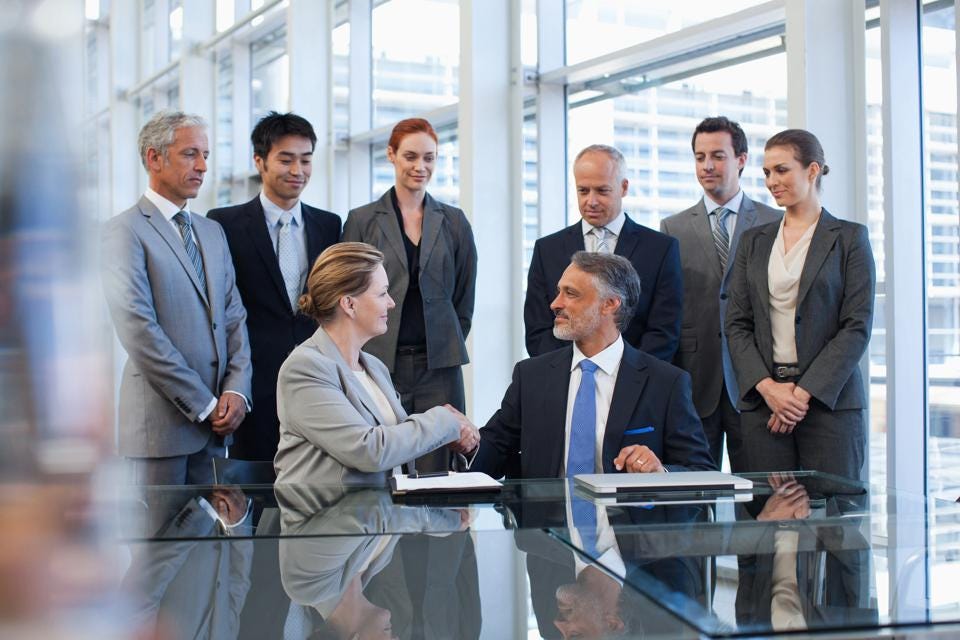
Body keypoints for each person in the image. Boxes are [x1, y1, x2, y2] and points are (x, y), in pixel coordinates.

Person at [466, 251, 715, 479]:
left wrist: (661, 470)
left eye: (570, 293)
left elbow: (701, 471)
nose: (555, 303)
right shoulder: (531, 376)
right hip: (544, 524)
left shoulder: (665, 383)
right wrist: (468, 440)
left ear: (610, 304)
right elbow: (495, 453)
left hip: (626, 525)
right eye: (558, 291)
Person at [101, 111, 252, 485]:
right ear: (154, 158)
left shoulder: (212, 232)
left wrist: (236, 389)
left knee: (209, 542)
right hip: (160, 430)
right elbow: (140, 331)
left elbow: (234, 316)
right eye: (190, 154)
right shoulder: (123, 232)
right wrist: (203, 404)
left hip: (217, 431)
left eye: (206, 155)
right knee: (161, 542)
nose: (202, 166)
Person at [725, 129, 876, 481]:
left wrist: (800, 396)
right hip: (765, 404)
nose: (771, 181)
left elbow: (856, 327)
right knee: (768, 522)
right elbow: (736, 324)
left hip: (829, 404)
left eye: (781, 170)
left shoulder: (850, 238)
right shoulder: (753, 242)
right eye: (766, 173)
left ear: (812, 171)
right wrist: (768, 388)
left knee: (836, 526)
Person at [273, 242, 476, 486]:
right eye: (382, 293)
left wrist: (450, 433)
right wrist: (444, 421)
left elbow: (398, 448)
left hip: (385, 517)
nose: (391, 302)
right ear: (349, 304)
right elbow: (370, 450)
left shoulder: (375, 367)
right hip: (327, 521)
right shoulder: (304, 368)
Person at [342, 118, 478, 472]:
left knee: (438, 465)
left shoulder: (454, 222)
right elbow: (348, 292)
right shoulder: (362, 220)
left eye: (429, 158)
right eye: (411, 156)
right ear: (392, 155)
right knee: (383, 458)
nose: (421, 167)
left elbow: (463, 299)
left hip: (439, 366)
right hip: (378, 361)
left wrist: (448, 340)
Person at [208, 112, 341, 462]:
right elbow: (219, 309)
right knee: (251, 495)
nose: (298, 170)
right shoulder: (224, 224)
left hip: (316, 380)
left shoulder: (329, 225)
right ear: (259, 161)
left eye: (306, 160)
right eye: (286, 159)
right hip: (252, 382)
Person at [660, 116, 781, 470]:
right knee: (694, 492)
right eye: (699, 157)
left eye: (718, 155)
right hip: (696, 378)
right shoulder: (674, 227)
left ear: (741, 159)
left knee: (761, 492)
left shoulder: (773, 222)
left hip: (757, 380)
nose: (707, 166)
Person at [524, 144, 683, 361]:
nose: (591, 201)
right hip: (565, 380)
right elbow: (537, 328)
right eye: (583, 191)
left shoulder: (660, 249)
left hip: (635, 381)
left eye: (602, 190)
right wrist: (568, 372)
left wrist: (628, 374)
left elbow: (664, 330)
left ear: (624, 187)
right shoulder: (547, 249)